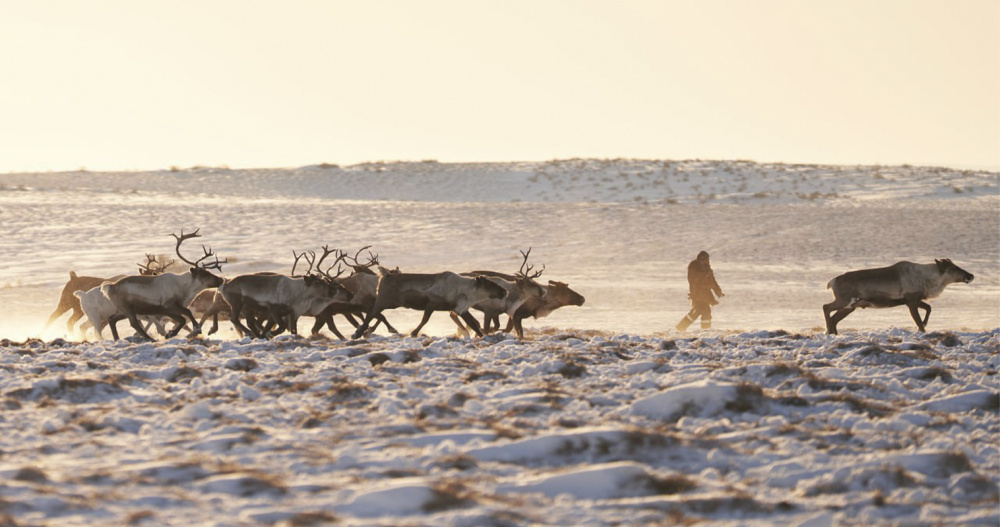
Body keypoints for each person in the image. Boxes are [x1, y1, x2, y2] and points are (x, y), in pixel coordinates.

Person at [676, 251, 724, 331]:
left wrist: (718, 291)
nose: (708, 261)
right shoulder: (694, 268)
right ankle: (703, 330)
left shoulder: (708, 269)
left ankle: (682, 328)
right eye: (706, 259)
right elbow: (693, 282)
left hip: (706, 295)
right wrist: (695, 294)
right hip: (697, 294)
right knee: (702, 311)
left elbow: (712, 281)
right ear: (701, 260)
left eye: (708, 259)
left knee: (700, 311)